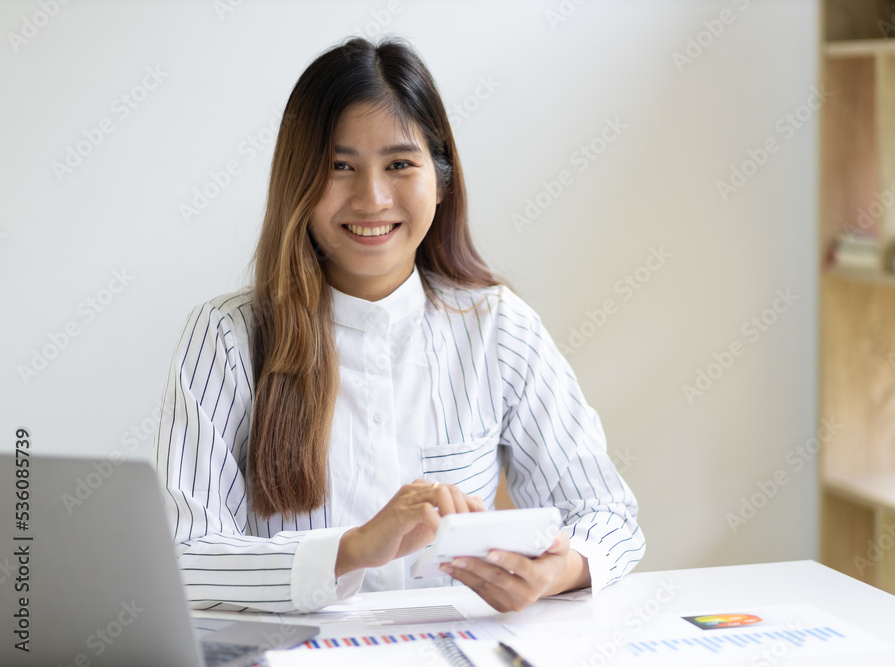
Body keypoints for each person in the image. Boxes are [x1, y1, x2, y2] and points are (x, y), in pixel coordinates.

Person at [153, 36, 644, 615]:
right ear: (298, 184)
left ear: (440, 181)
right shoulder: (225, 339)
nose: (372, 197)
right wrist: (355, 548)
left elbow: (607, 515)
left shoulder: (497, 328)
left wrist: (559, 570)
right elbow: (185, 558)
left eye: (399, 164)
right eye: (340, 167)